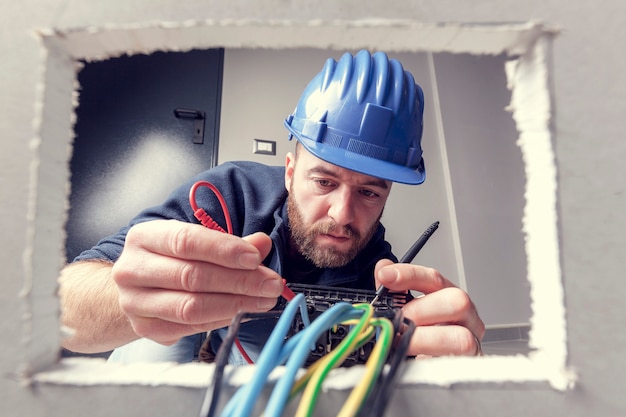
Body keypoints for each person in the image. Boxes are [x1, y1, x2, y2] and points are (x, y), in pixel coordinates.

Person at [59, 50, 485, 364]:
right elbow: (66, 312)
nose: (342, 214)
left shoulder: (377, 267)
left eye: (369, 193)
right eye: (324, 181)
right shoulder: (226, 196)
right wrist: (132, 297)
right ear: (289, 170)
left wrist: (440, 371)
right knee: (145, 357)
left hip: (279, 363)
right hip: (189, 347)